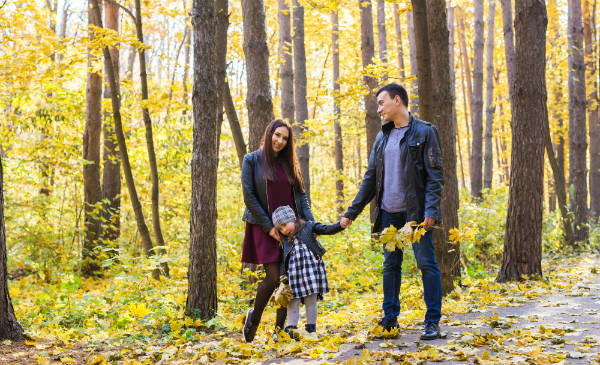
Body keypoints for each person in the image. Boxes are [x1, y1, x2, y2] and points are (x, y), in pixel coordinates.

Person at [340, 83, 444, 340]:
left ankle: (432, 322)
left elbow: (435, 176)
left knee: (426, 264)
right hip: (388, 213)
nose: (379, 109)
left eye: (381, 103)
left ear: (397, 101)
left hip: (416, 214)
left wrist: (430, 210)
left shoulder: (425, 132)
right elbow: (370, 178)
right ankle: (390, 320)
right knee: (391, 265)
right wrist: (351, 212)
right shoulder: (382, 136)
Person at [241, 119, 314, 343]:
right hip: (263, 226)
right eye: (277, 135)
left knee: (287, 279)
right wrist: (268, 226)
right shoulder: (251, 160)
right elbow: (249, 197)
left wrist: (310, 224)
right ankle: (254, 319)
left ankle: (279, 331)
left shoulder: (289, 163)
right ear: (269, 132)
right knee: (273, 277)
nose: (280, 141)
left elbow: (301, 196)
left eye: (285, 138)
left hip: (290, 229)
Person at [270, 205, 344, 341]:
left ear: (293, 219)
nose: (284, 230)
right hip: (294, 275)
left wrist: (341, 225)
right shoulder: (284, 240)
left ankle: (311, 328)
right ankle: (291, 328)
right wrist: (283, 278)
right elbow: (282, 260)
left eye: (285, 225)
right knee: (292, 300)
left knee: (311, 299)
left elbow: (326, 229)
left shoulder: (308, 227)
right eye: (280, 228)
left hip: (311, 271)